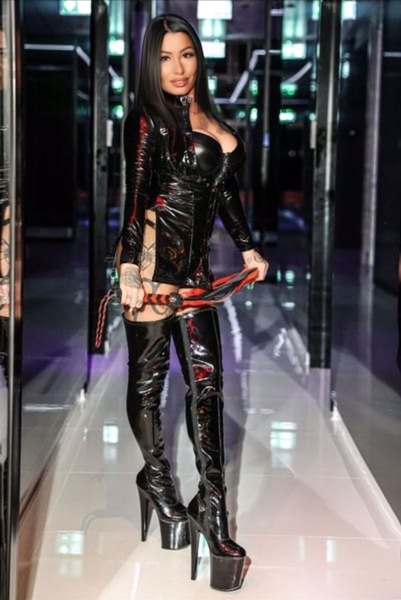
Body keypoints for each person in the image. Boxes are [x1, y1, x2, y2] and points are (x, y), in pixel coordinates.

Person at [117, 13, 268, 592]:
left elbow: (224, 191)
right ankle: (157, 481)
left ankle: (215, 514)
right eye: (165, 58)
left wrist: (248, 246)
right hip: (153, 272)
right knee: (149, 385)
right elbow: (135, 196)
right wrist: (128, 268)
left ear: (199, 57)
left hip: (198, 277)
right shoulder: (148, 120)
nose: (178, 68)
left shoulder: (210, 118)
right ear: (150, 65)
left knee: (209, 387)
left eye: (187, 54)